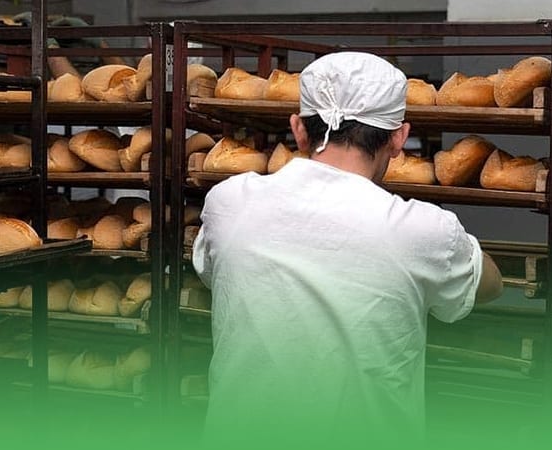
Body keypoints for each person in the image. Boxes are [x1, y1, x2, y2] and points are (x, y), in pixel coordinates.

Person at [192, 52, 503, 448]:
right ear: (398, 139)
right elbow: (488, 285)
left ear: (299, 131)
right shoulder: (423, 230)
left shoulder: (229, 202)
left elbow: (209, 268)